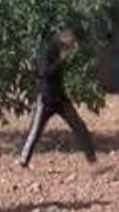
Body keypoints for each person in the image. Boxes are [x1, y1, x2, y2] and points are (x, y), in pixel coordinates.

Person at [18, 28, 97, 167]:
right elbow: (44, 73)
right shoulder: (47, 50)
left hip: (60, 98)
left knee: (79, 126)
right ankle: (23, 161)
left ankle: (92, 160)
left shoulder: (61, 49)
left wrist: (66, 59)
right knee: (35, 131)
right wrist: (61, 60)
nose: (73, 43)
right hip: (46, 98)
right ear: (64, 35)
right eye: (72, 38)